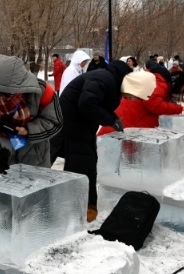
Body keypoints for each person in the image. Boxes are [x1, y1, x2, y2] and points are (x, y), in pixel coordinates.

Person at [51, 59, 130, 221]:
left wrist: (113, 118)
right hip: (72, 124)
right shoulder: (105, 78)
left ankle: (80, 204)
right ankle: (83, 206)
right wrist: (110, 119)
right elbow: (87, 103)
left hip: (75, 123)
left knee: (65, 157)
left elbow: (97, 103)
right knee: (83, 164)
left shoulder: (108, 79)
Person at [0, 55, 61, 174]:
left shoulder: (43, 92)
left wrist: (27, 130)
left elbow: (55, 122)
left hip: (35, 160)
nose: (0, 98)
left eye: (7, 94)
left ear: (20, 87)